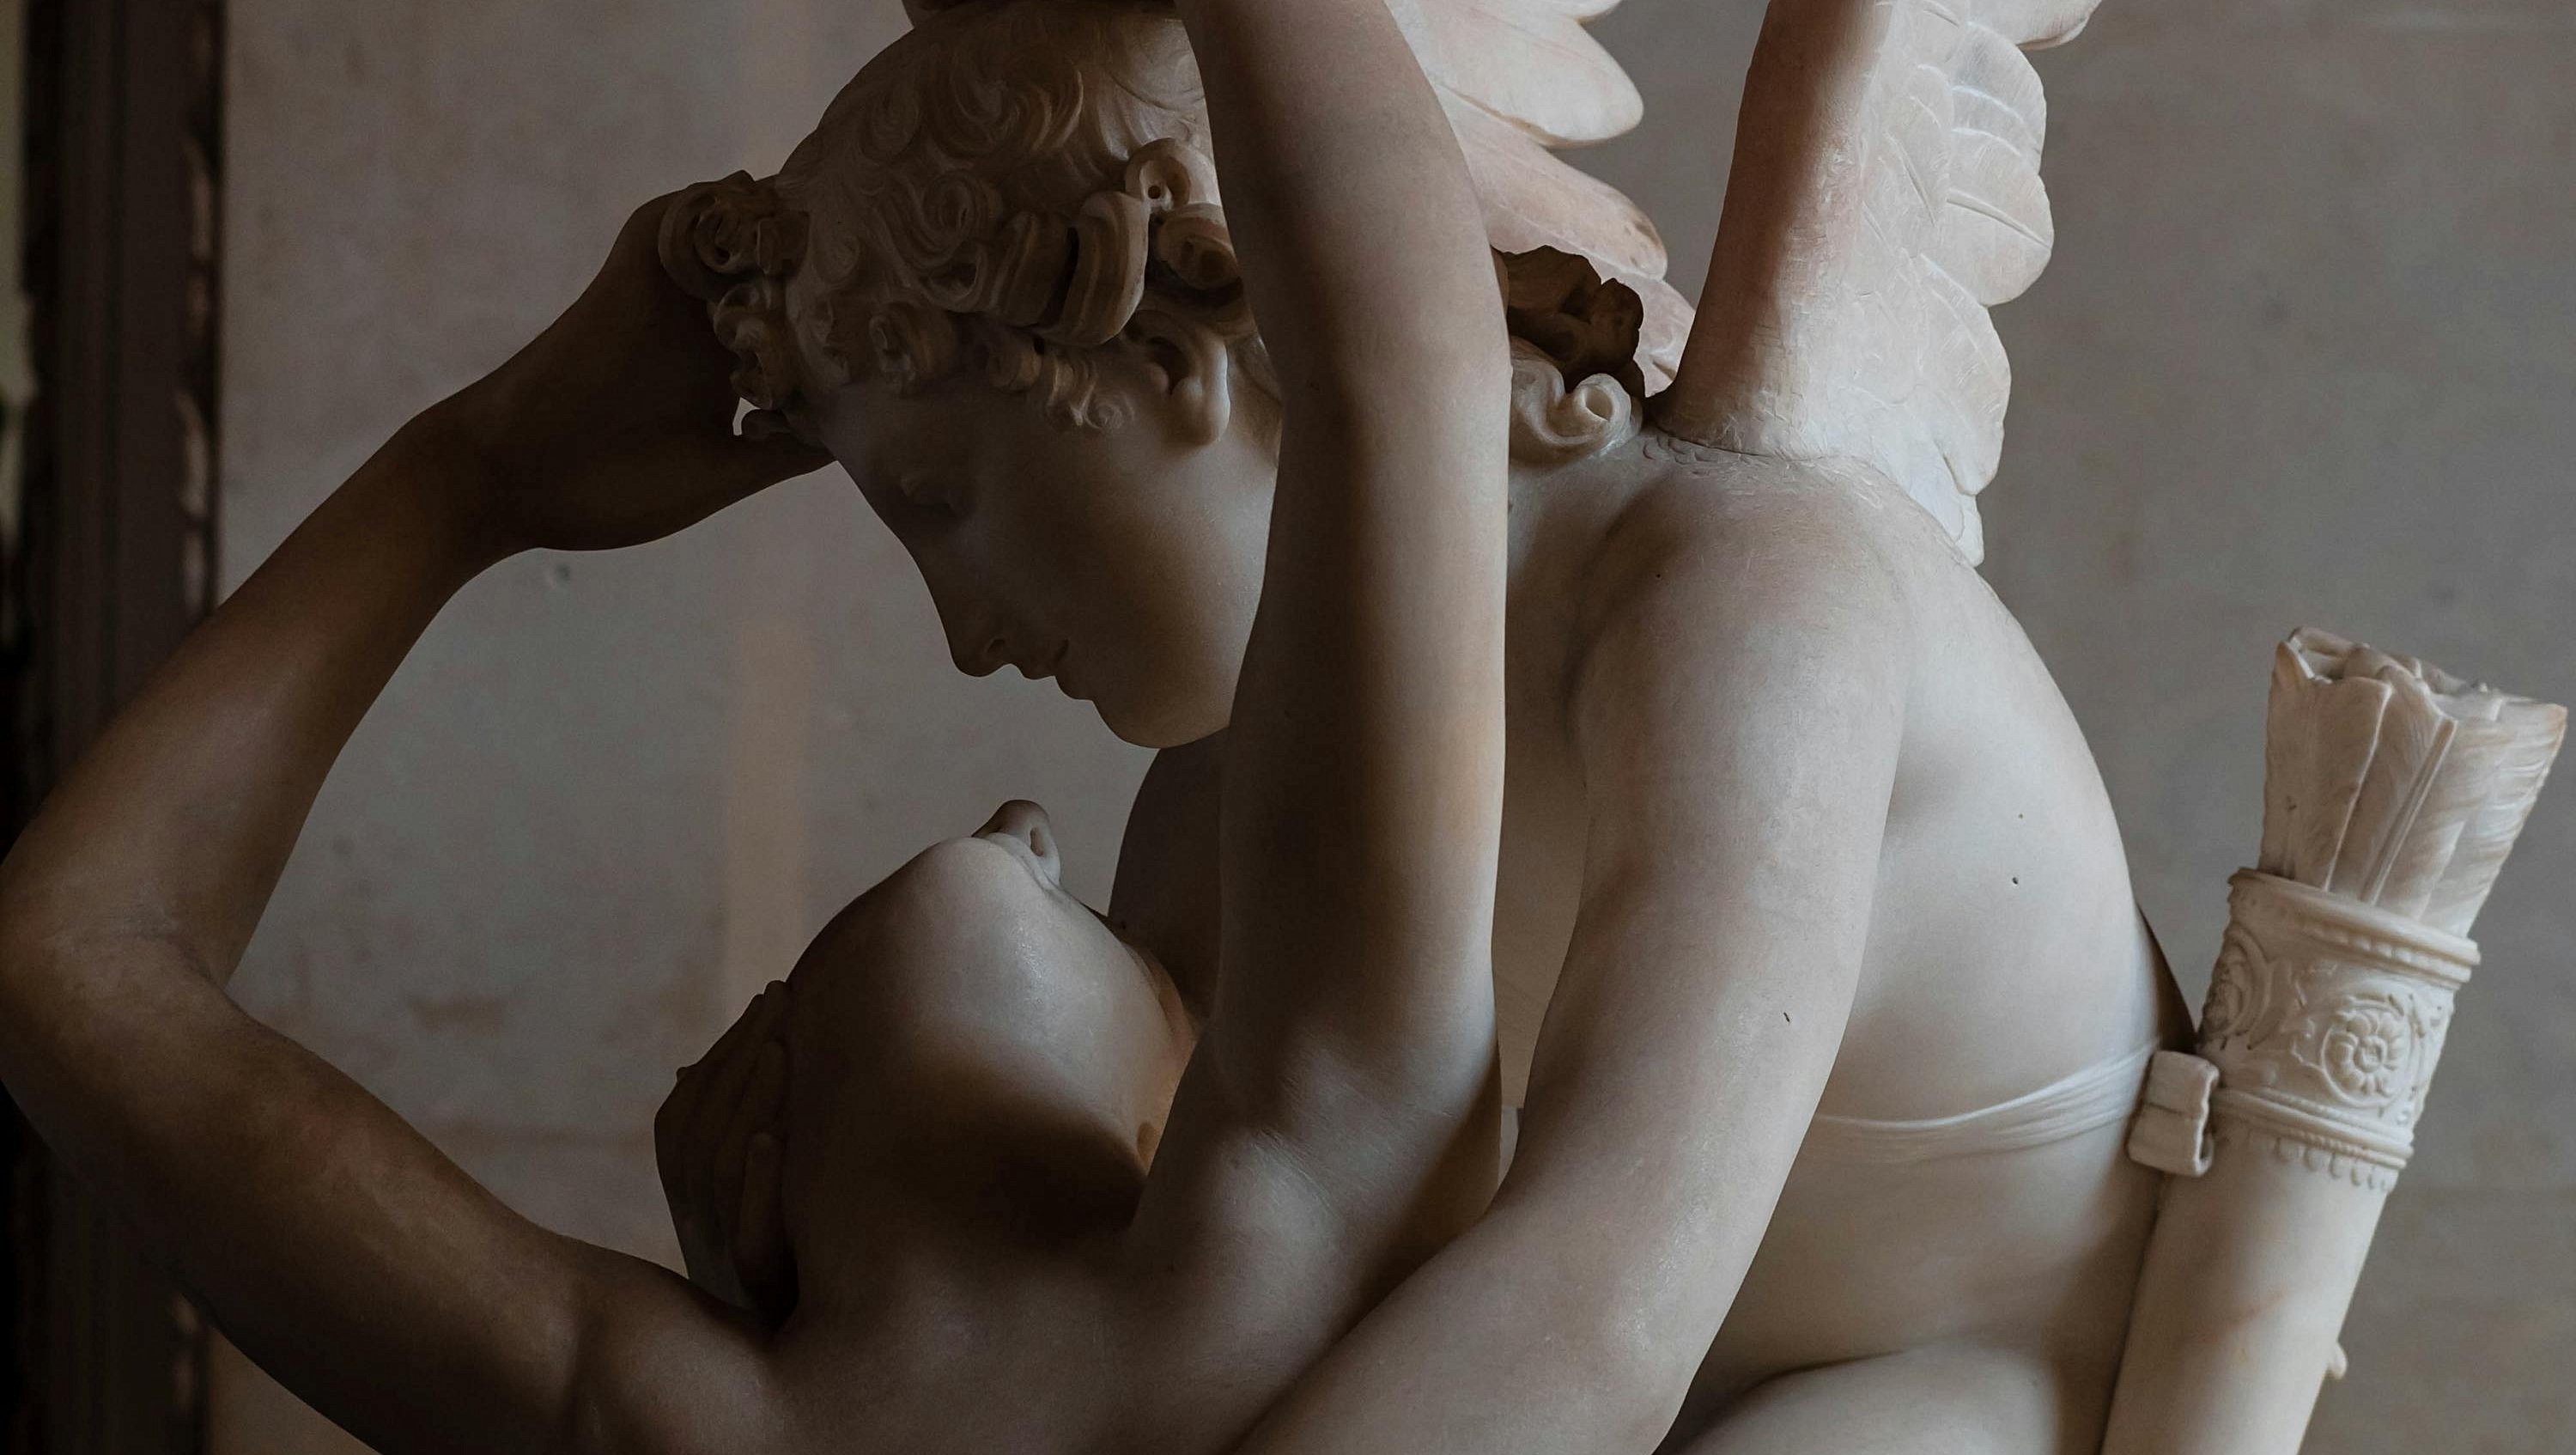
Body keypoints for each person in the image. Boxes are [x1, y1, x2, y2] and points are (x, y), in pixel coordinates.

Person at [657, 0, 2192, 1449]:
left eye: (946, 500)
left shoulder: (1741, 608)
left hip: (1961, 1356)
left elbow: (1599, 1313)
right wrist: (837, 1274)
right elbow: (1201, 1301)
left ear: (1181, 356)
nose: (965, 634)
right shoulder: (1220, 795)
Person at [0, 0, 1513, 1447]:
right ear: (1154, 1123)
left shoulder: (665, 1409)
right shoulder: (1258, 1248)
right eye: (1078, 913)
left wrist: (472, 478)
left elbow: (72, 967)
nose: (1030, 825)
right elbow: (1406, 363)